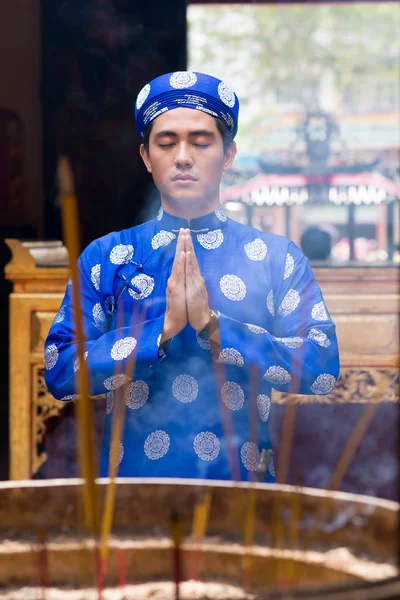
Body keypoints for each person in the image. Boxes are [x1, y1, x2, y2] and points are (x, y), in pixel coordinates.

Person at [44, 71, 340, 481]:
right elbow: (60, 370)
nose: (183, 156)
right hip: (131, 491)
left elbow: (322, 368)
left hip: (243, 496)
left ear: (228, 154)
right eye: (166, 143)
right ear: (146, 156)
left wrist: (215, 328)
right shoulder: (107, 255)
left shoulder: (274, 257)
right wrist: (158, 332)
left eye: (201, 142)